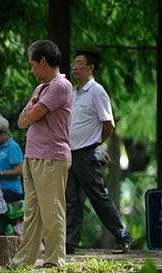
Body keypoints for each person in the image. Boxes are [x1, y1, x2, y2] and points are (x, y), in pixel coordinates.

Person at [12, 40, 73, 268]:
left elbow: (31, 116)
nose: (31, 70)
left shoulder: (60, 86)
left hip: (51, 156)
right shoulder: (40, 89)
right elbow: (21, 120)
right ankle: (24, 261)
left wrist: (32, 111)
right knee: (32, 213)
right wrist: (31, 111)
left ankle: (55, 260)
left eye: (32, 64)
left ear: (44, 62)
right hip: (33, 155)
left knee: (52, 210)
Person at [66, 49, 132, 254]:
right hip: (71, 153)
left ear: (90, 67)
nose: (75, 67)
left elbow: (108, 123)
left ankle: (122, 236)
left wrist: (96, 143)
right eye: (74, 63)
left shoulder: (97, 91)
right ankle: (70, 242)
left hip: (87, 153)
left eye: (79, 63)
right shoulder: (74, 92)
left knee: (97, 197)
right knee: (72, 200)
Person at [0, 113, 24, 203]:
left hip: (11, 190)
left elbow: (19, 170)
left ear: (3, 133)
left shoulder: (12, 147)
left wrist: (0, 174)